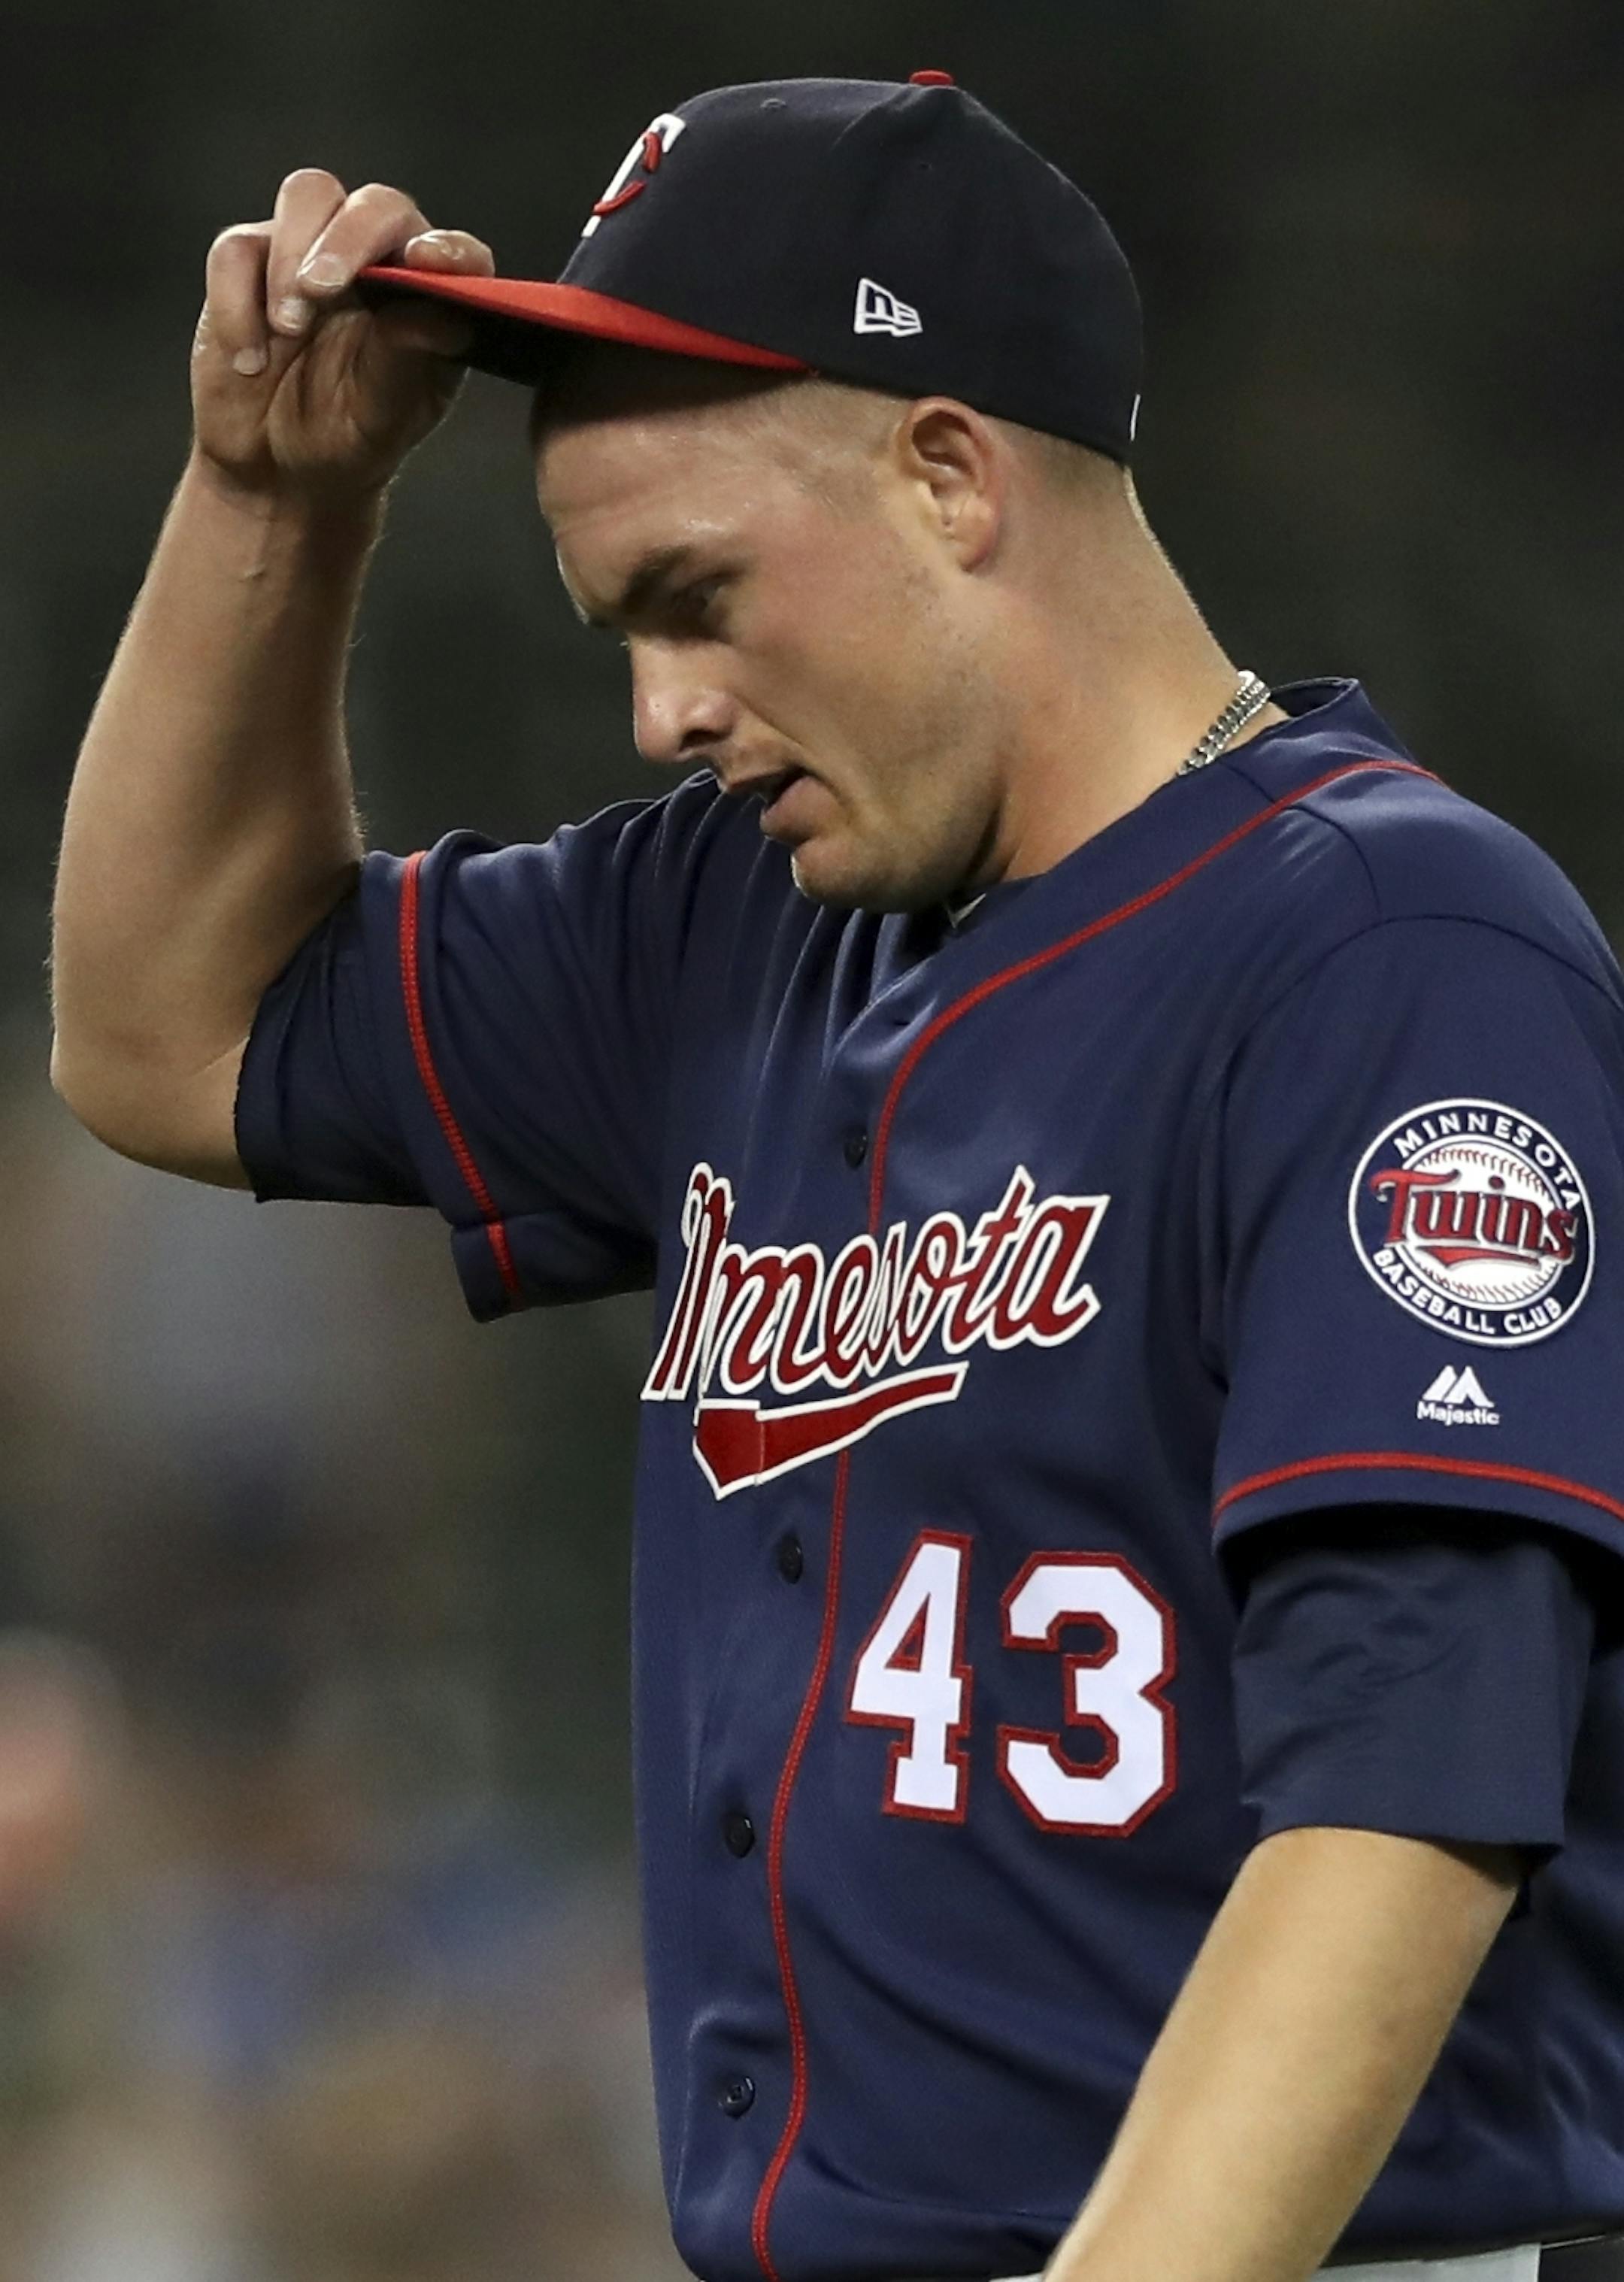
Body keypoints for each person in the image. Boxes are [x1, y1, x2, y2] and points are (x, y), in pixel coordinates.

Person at [50, 69, 1624, 2282]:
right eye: (623, 629)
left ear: (951, 472)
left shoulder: (1394, 953)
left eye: (697, 596)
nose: (662, 711)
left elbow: (1412, 1794)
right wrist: (271, 505)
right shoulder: (733, 923)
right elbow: (165, 1032)